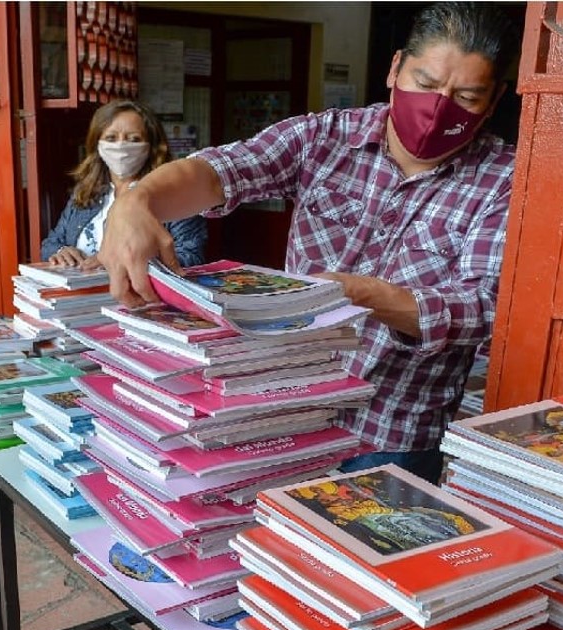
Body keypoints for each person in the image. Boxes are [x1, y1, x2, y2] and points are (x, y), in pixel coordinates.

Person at [97, 2, 516, 484]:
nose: (439, 108)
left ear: (495, 98)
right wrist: (137, 202)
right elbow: (224, 170)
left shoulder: (503, 180)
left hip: (391, 436)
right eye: (424, 84)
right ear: (396, 67)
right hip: (285, 412)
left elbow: (483, 310)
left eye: (465, 96)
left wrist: (362, 295)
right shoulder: (325, 137)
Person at [40, 99, 206, 269]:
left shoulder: (175, 194)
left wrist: (135, 261)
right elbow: (50, 243)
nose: (120, 146)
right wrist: (61, 250)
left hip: (140, 294)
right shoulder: (86, 192)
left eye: (133, 139)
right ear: (97, 144)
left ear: (152, 146)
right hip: (81, 293)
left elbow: (191, 256)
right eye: (111, 138)